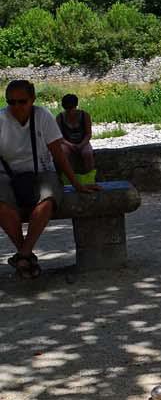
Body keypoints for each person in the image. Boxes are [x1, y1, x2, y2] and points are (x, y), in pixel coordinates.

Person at [2, 80, 99, 279]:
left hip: (42, 172)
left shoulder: (43, 116)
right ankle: (26, 256)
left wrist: (76, 184)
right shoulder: (1, 120)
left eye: (22, 102)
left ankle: (23, 255)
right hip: (6, 174)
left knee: (47, 201)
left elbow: (58, 154)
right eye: (11, 102)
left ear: (33, 100)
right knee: (2, 206)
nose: (17, 107)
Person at [55, 94, 95, 186]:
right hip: (66, 142)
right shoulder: (59, 118)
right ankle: (67, 179)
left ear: (76, 106)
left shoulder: (85, 116)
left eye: (71, 109)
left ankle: (89, 180)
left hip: (83, 141)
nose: (69, 112)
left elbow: (88, 134)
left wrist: (81, 145)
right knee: (64, 153)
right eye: (67, 109)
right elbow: (59, 137)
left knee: (87, 153)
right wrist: (70, 145)